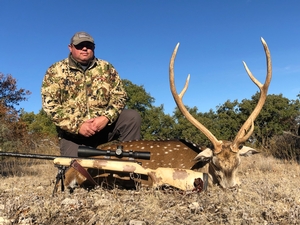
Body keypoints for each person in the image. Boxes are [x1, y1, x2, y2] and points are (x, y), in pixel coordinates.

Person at [41, 31, 141, 157]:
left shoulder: (106, 68)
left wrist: (106, 118)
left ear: (94, 48)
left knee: (132, 117)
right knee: (73, 172)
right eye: (79, 45)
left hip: (104, 128)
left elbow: (120, 96)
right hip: (74, 136)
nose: (84, 48)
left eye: (88, 45)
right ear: (70, 47)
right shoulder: (55, 71)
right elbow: (50, 106)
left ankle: (128, 162)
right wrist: (78, 126)